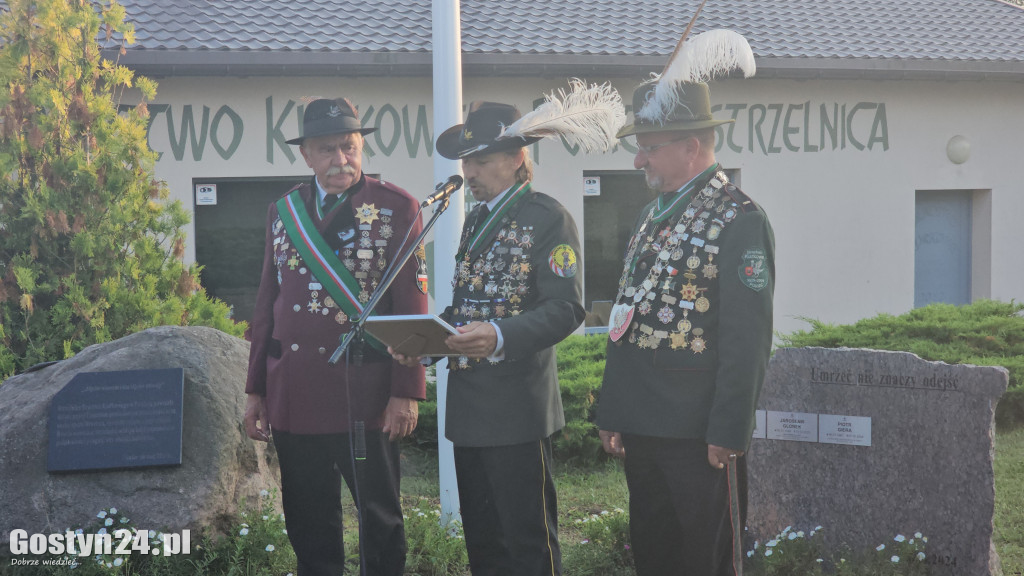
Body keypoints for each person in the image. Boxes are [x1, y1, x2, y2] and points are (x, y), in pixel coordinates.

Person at [393, 101, 586, 576]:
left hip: (518, 410)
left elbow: (566, 308)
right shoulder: (477, 220)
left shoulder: (548, 218)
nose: (469, 172)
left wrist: (499, 335)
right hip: (470, 411)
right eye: (465, 161)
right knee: (485, 543)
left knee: (529, 544)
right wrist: (422, 340)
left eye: (480, 161)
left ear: (518, 157)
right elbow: (469, 310)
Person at [243, 97, 428, 576]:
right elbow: (267, 305)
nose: (340, 160)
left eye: (349, 147)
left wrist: (406, 393)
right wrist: (256, 389)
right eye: (327, 150)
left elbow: (412, 307)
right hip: (294, 393)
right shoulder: (282, 212)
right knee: (307, 519)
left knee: (380, 519)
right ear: (306, 155)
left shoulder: (397, 208)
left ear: (361, 145)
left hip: (364, 397)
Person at [597, 79, 775, 575]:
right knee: (654, 553)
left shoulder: (739, 219)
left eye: (649, 149)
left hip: (701, 436)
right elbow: (625, 321)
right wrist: (614, 408)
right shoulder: (650, 217)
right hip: (643, 425)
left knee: (706, 558)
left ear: (691, 147)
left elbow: (749, 338)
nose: (638, 161)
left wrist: (730, 429)